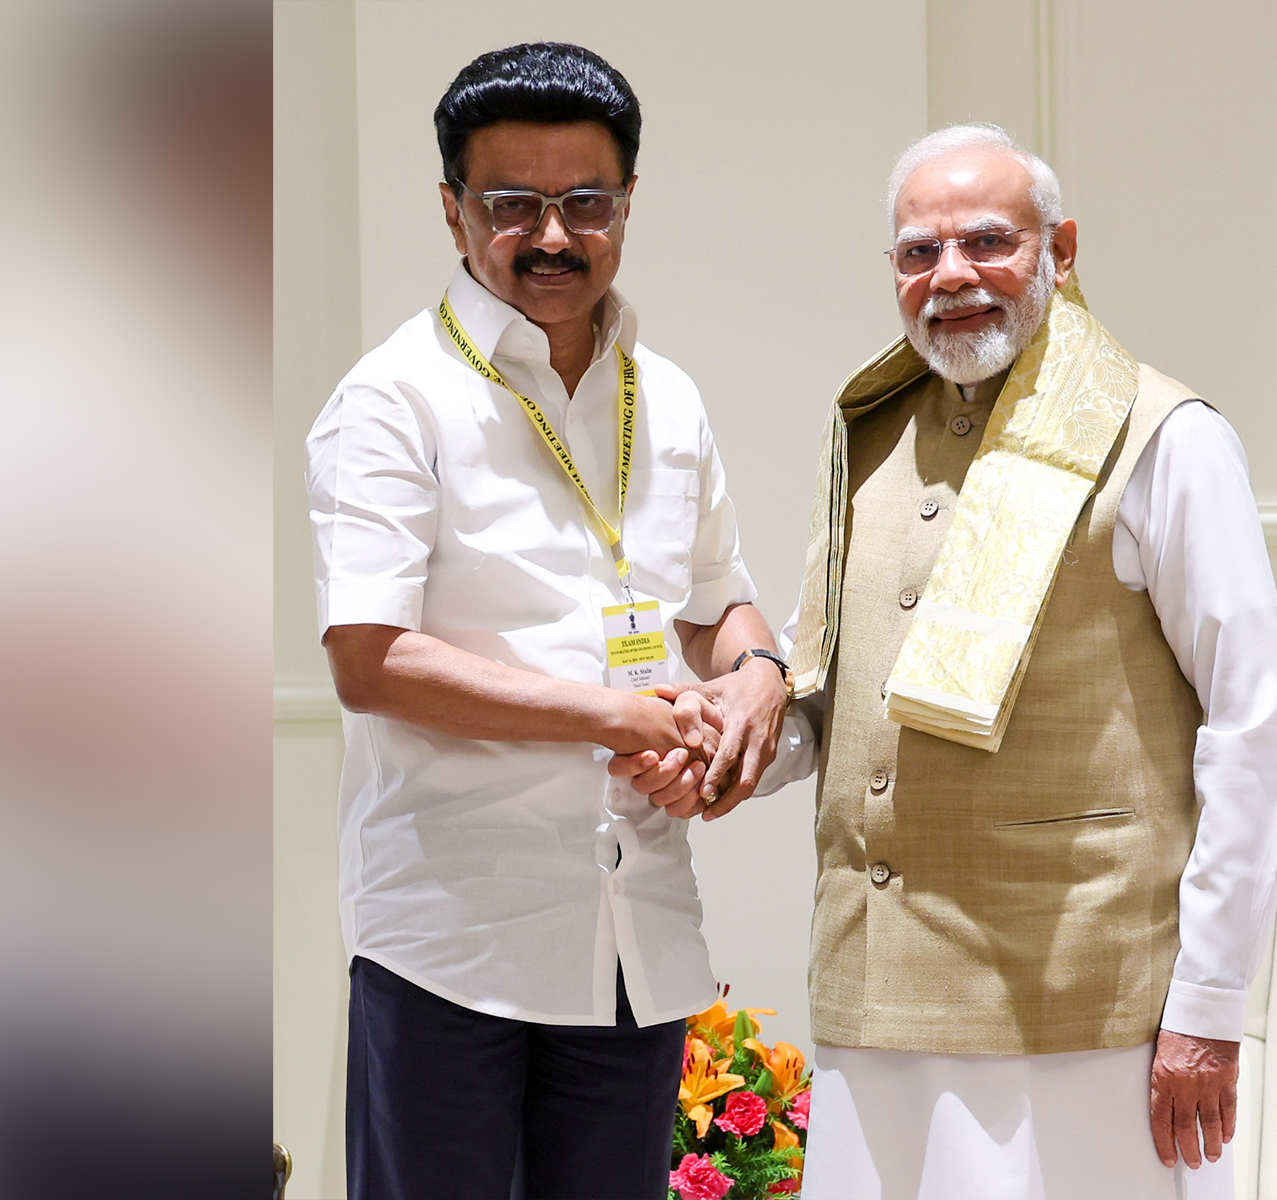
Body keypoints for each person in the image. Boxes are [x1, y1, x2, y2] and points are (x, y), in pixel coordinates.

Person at [616, 122, 1277, 1199]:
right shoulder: (872, 430)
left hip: (1078, 1004)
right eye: (917, 253)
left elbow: (1252, 725)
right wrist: (730, 740)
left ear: (1060, 250)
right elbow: (831, 683)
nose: (952, 277)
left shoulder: (1165, 436)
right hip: (873, 986)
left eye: (988, 242)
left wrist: (1207, 1009)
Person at [305, 42, 788, 1200]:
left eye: (585, 202)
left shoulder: (662, 397)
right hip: (453, 940)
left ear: (627, 202)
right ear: (451, 211)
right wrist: (619, 715)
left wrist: (755, 680)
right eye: (511, 205)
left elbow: (717, 598)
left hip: (635, 937)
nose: (553, 236)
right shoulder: (393, 397)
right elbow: (370, 661)